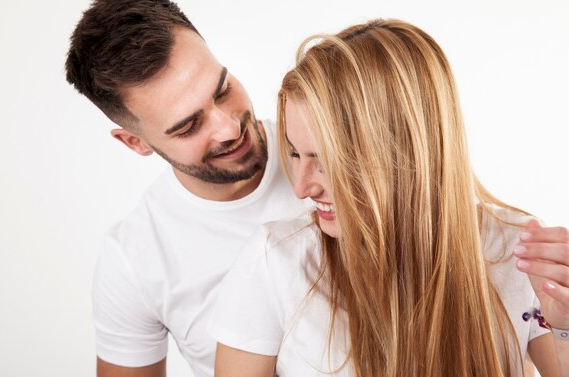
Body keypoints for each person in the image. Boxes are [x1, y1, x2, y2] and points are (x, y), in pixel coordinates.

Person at [210, 19, 569, 377]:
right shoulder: (275, 261)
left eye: (327, 161)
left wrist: (565, 325)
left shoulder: (515, 252)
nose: (302, 189)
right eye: (294, 153)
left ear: (405, 152)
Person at [65, 0, 306, 377]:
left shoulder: (341, 154)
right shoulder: (135, 260)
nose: (229, 128)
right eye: (188, 126)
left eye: (223, 89)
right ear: (136, 143)